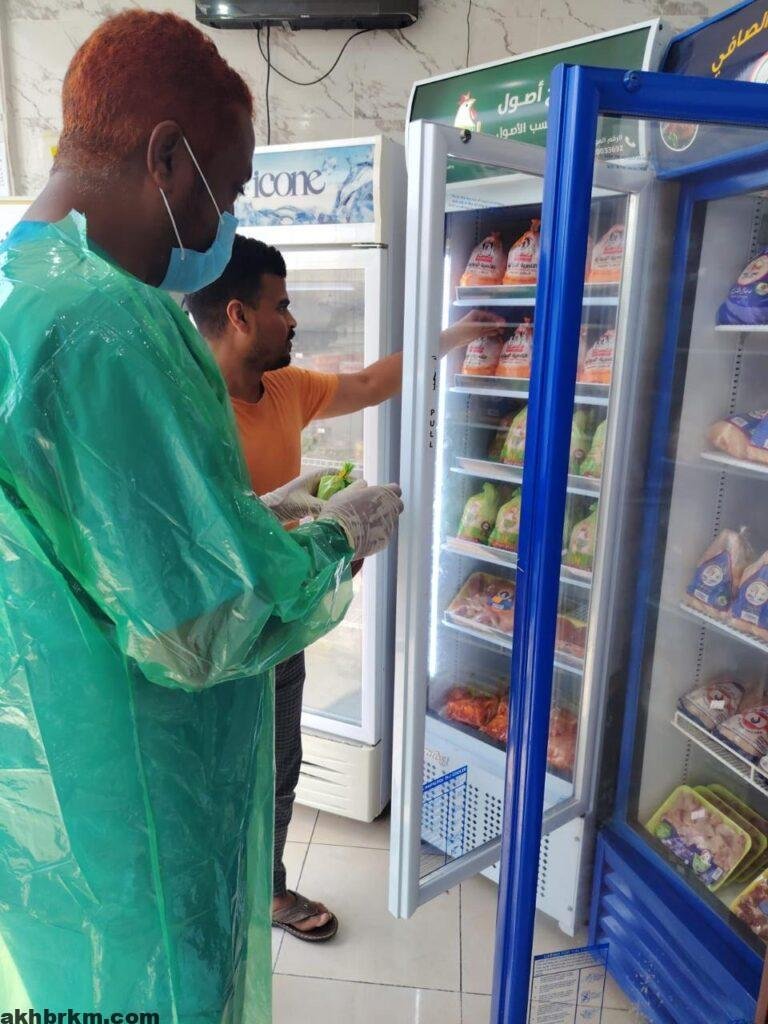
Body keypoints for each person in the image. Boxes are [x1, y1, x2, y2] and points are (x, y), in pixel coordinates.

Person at [0, 11, 401, 1023]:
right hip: (144, 802)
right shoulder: (110, 323)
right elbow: (197, 632)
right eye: (232, 186)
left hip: (55, 802)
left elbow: (92, 545)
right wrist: (336, 539)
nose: (230, 216)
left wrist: (243, 517)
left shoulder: (20, 289)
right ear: (169, 157)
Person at [186, 236, 504, 940]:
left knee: (279, 767)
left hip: (280, 624)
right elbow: (199, 544)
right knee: (210, 777)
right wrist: (320, 537)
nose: (293, 320)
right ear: (238, 315)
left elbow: (366, 384)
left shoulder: (284, 389)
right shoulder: (187, 411)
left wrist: (452, 336)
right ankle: (210, 908)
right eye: (281, 305)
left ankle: (268, 892)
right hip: (208, 640)